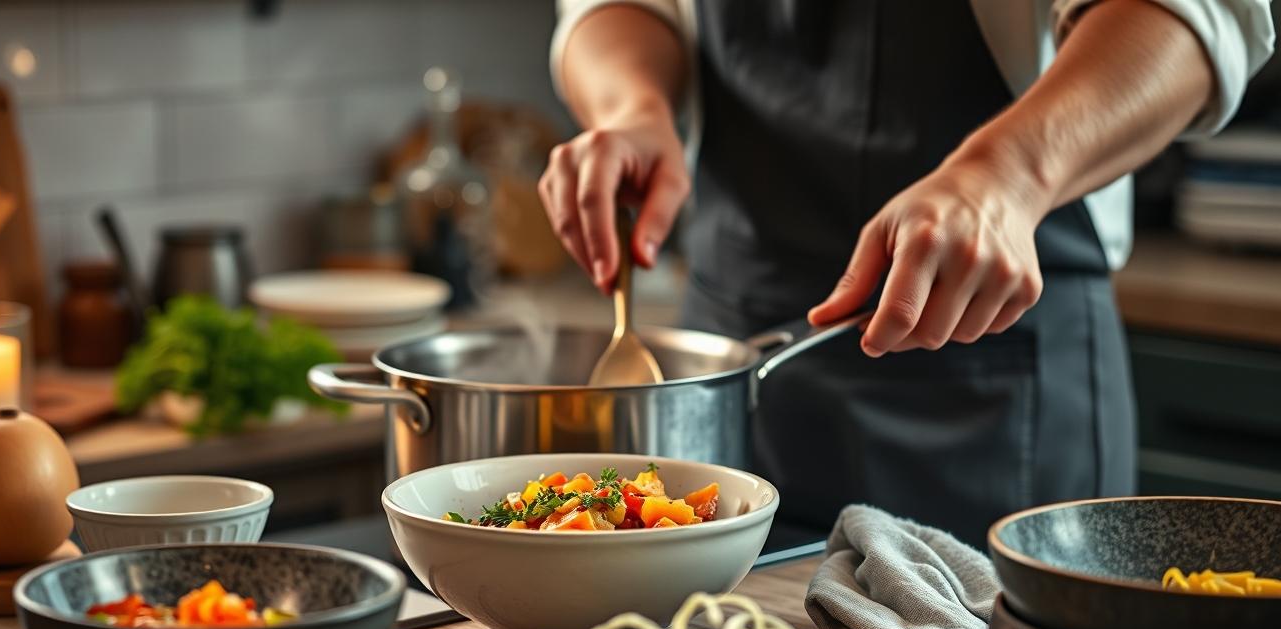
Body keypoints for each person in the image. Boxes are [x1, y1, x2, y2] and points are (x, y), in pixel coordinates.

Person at [538, 0, 1275, 546]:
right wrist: (630, 106)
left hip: (1002, 387)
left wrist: (1008, 172)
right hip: (731, 379)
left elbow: (1193, 16)